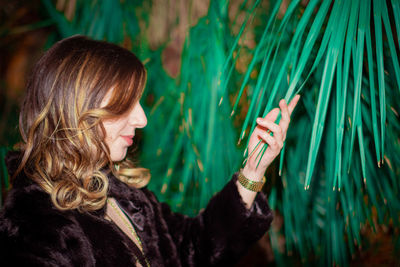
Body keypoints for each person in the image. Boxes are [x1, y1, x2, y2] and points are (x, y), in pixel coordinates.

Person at [0, 35, 299, 266]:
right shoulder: (31, 227)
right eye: (123, 106)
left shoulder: (117, 189)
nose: (142, 119)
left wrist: (253, 170)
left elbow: (192, 250)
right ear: (76, 112)